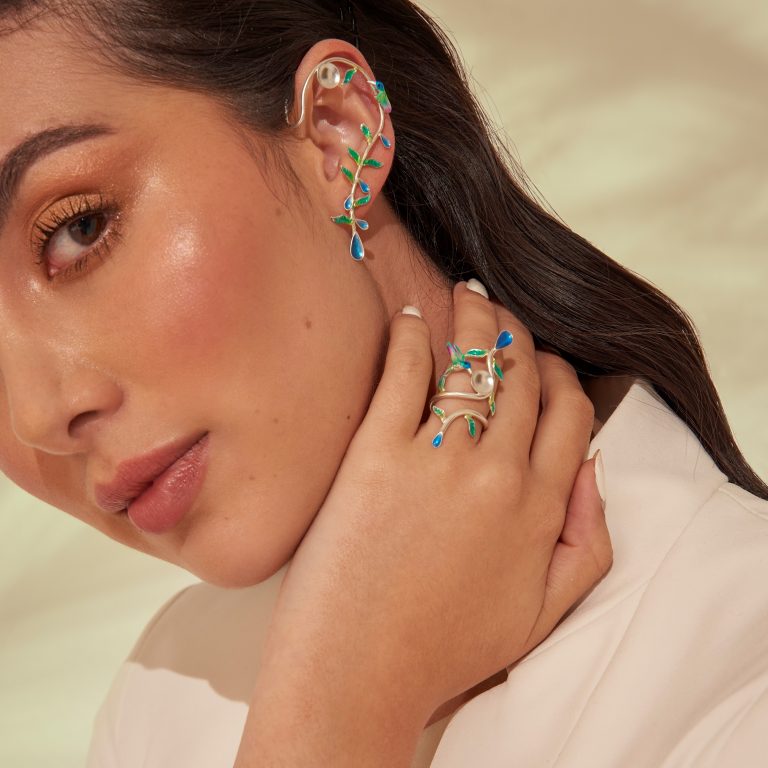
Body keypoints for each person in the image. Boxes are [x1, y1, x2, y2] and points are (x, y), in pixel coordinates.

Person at [0, 1, 765, 766]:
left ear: (341, 133)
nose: (36, 414)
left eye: (78, 228)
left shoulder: (738, 667)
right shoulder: (165, 696)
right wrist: (339, 705)